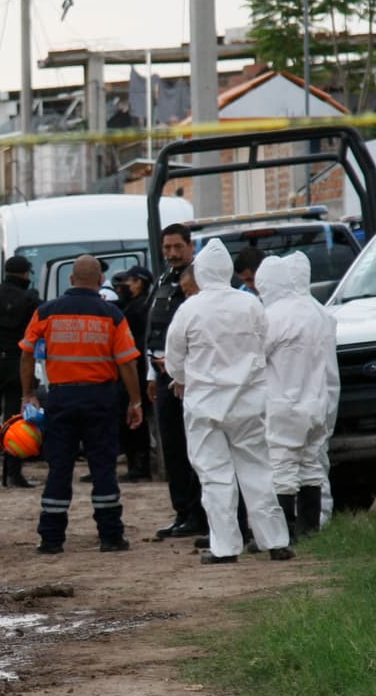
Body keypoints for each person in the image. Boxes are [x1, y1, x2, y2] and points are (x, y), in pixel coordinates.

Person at [163, 239, 294, 564]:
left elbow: (174, 357)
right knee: (258, 472)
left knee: (215, 477)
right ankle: (275, 541)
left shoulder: (189, 309)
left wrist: (183, 379)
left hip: (204, 405)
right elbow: (264, 343)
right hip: (248, 403)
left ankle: (225, 547)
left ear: (201, 272)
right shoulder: (250, 304)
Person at [20, 255, 144, 555]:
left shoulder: (46, 311)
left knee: (59, 468)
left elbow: (26, 354)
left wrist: (28, 394)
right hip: (101, 399)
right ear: (100, 281)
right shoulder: (112, 314)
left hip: (61, 399)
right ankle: (110, 536)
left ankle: (51, 539)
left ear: (71, 279)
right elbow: (127, 363)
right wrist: (135, 401)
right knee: (103, 467)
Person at [258, 252, 339, 538]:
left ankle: (282, 533)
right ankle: (309, 530)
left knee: (282, 469)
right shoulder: (317, 314)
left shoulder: (273, 317)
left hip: (284, 404)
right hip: (316, 403)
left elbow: (256, 357)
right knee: (310, 465)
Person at [144, 222, 207, 539]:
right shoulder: (163, 280)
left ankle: (200, 515)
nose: (172, 253)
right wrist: (150, 374)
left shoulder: (200, 280)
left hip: (190, 377)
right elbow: (154, 330)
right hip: (162, 375)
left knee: (195, 447)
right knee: (172, 448)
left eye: (177, 247)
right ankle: (183, 512)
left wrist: (179, 364)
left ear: (190, 246)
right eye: (167, 247)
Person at [0, 255, 41, 489]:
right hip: (18, 364)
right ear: (25, 274)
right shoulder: (32, 300)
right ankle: (12, 474)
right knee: (16, 420)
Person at [118, 266, 154, 481]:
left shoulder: (140, 307)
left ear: (139, 282)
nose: (124, 285)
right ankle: (136, 465)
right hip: (135, 367)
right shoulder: (134, 304)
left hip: (137, 369)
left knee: (135, 419)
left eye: (129, 281)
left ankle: (140, 467)